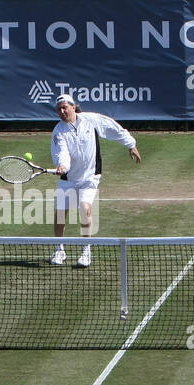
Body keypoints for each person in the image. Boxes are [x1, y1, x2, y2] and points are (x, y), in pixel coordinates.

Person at [49, 94, 140, 267]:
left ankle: (86, 251)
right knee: (61, 212)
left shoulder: (91, 120)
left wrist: (130, 144)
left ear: (73, 107)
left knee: (85, 208)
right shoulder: (58, 132)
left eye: (64, 107)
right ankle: (59, 250)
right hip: (68, 178)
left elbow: (112, 128)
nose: (62, 111)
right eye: (59, 109)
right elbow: (62, 153)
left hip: (90, 177)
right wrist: (62, 165)